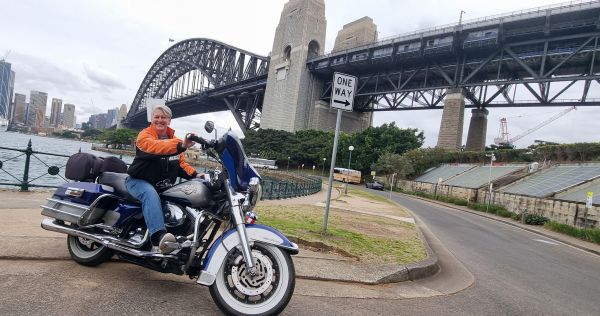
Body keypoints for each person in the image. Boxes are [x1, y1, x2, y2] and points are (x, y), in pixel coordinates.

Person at [126, 104, 202, 253]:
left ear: (169, 120)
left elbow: (181, 165)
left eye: (164, 117)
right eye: (157, 117)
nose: (160, 120)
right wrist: (181, 145)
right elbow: (156, 147)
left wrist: (196, 175)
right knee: (150, 193)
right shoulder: (145, 135)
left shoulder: (174, 141)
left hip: (162, 184)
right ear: (152, 119)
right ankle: (158, 237)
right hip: (138, 181)